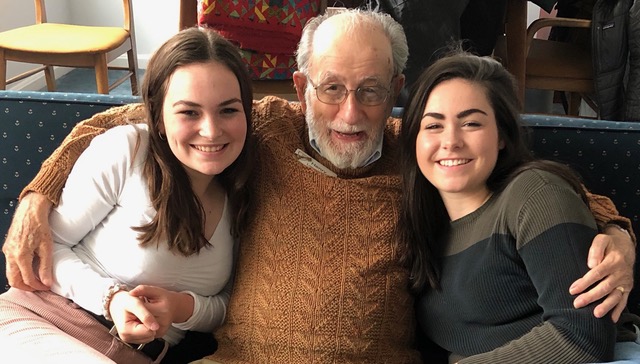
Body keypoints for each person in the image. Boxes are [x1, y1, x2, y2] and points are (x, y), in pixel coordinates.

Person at [1, 9, 636, 363]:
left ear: (395, 92)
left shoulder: (420, 154)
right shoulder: (259, 129)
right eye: (332, 88)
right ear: (303, 89)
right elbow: (117, 116)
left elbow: (523, 177)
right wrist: (38, 193)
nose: (350, 114)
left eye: (370, 91)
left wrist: (614, 231)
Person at [0, 27, 254, 363]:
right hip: (44, 323)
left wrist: (182, 307)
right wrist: (112, 298)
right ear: (159, 116)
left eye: (228, 110)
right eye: (189, 112)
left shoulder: (245, 188)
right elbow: (45, 250)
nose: (211, 129)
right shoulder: (129, 149)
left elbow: (226, 304)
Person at [398, 51, 639, 363]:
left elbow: (583, 336)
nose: (451, 141)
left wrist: (620, 231)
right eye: (433, 126)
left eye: (471, 123)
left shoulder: (534, 193)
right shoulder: (422, 225)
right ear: (413, 138)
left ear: (502, 135)